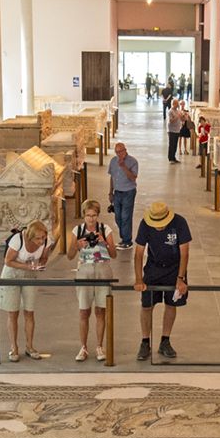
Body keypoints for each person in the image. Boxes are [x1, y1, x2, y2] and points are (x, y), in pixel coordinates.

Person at [133, 200, 190, 361]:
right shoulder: (144, 224)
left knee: (171, 304)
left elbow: (184, 253)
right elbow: (138, 253)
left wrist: (181, 279)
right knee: (146, 305)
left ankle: (165, 340)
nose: (159, 227)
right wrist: (138, 279)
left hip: (174, 269)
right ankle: (145, 341)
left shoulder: (180, 222)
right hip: (153, 268)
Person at [66, 199, 116, 361]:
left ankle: (99, 347)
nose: (91, 219)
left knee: (101, 310)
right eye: (88, 215)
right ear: (83, 216)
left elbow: (114, 254)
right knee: (83, 311)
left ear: (98, 215)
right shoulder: (77, 230)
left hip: (103, 271)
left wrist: (104, 242)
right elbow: (69, 256)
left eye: (94, 215)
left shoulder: (105, 229)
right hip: (85, 271)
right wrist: (77, 245)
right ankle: (83, 347)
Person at [0, 220, 51, 362]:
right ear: (30, 236)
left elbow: (45, 257)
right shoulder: (18, 240)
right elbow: (8, 261)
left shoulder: (47, 242)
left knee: (29, 311)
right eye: (38, 238)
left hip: (30, 275)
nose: (41, 241)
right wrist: (27, 267)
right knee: (13, 312)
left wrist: (40, 264)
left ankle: (29, 346)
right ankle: (14, 347)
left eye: (43, 237)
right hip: (12, 274)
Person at [108, 142, 138, 249]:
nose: (119, 154)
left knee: (126, 217)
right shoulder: (113, 161)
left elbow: (133, 177)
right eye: (117, 152)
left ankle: (127, 241)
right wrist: (110, 192)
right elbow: (112, 177)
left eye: (121, 151)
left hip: (128, 192)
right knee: (118, 217)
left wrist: (124, 166)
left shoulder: (132, 161)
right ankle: (124, 238)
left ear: (125, 150)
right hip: (117, 193)